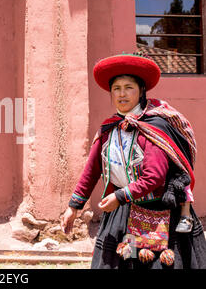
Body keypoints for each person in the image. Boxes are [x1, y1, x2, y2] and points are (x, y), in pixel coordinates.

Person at [61, 53, 206, 269]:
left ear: (141, 92)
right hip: (121, 214)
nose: (122, 94)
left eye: (128, 87)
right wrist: (74, 206)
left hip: (161, 212)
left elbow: (154, 177)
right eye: (116, 88)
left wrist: (119, 196)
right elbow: (92, 170)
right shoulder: (108, 130)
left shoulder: (153, 128)